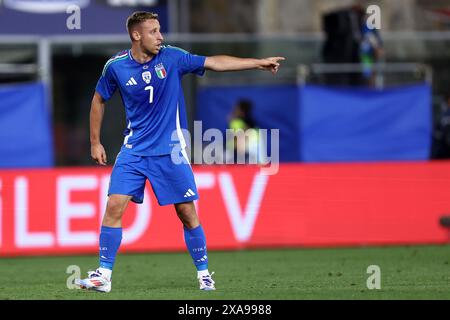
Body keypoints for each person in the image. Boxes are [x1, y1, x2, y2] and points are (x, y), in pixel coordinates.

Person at [74, 11, 284, 293]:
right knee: (114, 205)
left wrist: (256, 63)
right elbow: (99, 99)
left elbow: (214, 63)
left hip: (170, 152)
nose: (160, 37)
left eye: (160, 30)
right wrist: (95, 142)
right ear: (136, 35)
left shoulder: (172, 58)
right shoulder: (116, 67)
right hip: (134, 150)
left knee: (186, 213)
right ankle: (103, 275)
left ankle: (204, 273)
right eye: (153, 31)